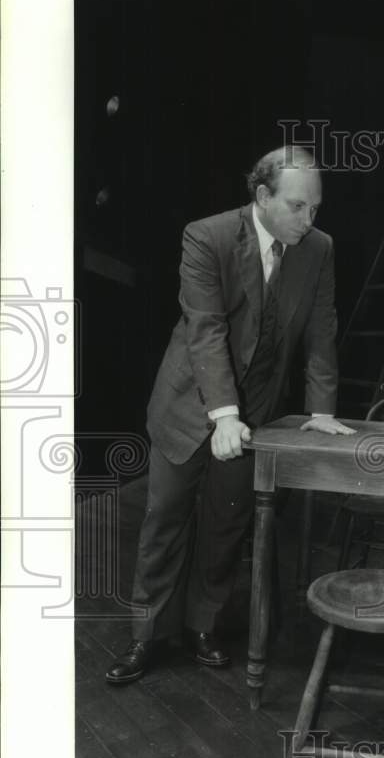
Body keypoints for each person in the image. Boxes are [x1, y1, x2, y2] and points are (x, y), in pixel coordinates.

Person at [106, 145, 354, 685]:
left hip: (257, 414)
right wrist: (223, 415)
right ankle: (146, 636)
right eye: (297, 207)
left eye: (315, 208)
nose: (308, 220)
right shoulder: (208, 235)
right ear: (262, 196)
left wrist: (320, 410)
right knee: (165, 522)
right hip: (189, 406)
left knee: (226, 524)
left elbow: (321, 331)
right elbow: (206, 330)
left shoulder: (318, 249)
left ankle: (202, 625)